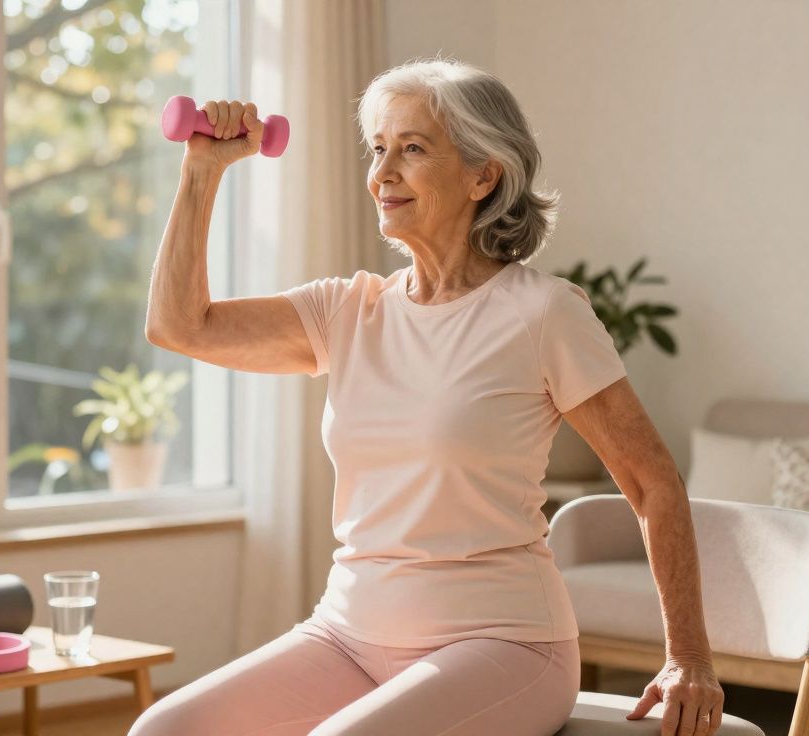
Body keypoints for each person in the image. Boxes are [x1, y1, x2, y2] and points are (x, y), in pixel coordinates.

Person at [135, 58, 725, 736]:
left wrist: (688, 657)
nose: (382, 173)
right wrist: (203, 169)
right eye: (378, 149)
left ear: (483, 175)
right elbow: (180, 325)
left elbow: (652, 483)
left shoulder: (543, 314)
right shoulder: (347, 310)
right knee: (163, 731)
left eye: (412, 149)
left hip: (504, 643)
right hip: (348, 637)